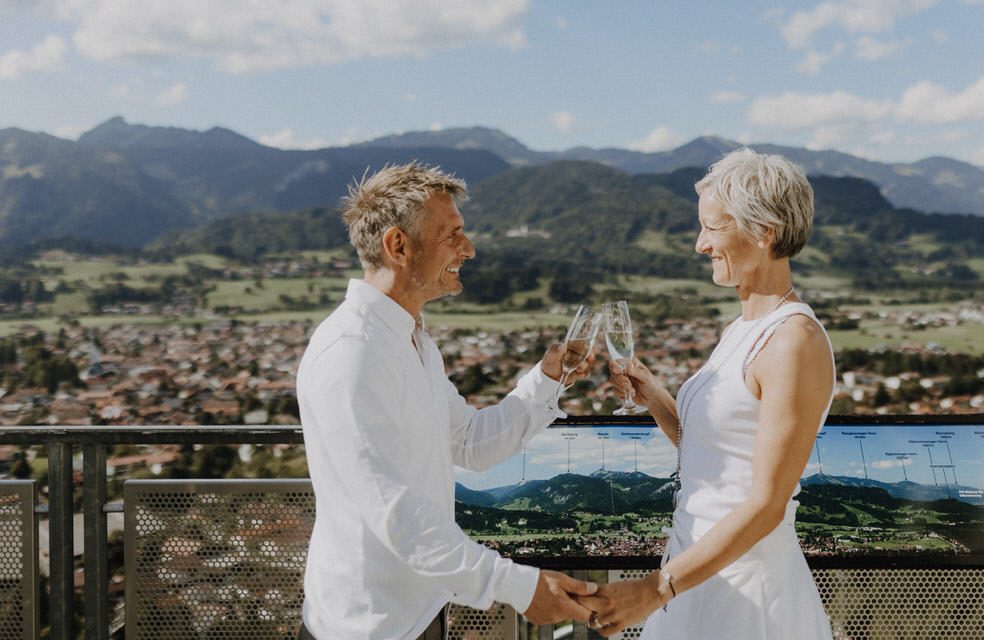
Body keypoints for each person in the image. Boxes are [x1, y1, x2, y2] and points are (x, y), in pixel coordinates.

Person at [297, 162, 596, 640]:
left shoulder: (409, 340)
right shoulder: (352, 354)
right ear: (398, 246)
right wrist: (517, 586)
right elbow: (397, 515)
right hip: (366, 626)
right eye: (452, 235)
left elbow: (471, 442)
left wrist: (547, 380)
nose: (469, 249)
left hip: (414, 613)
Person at [580, 148, 836, 638]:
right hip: (694, 574)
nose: (700, 245)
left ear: (765, 232)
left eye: (713, 228)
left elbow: (766, 504)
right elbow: (718, 455)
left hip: (747, 595)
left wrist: (656, 588)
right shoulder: (742, 328)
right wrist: (655, 396)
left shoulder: (793, 342)